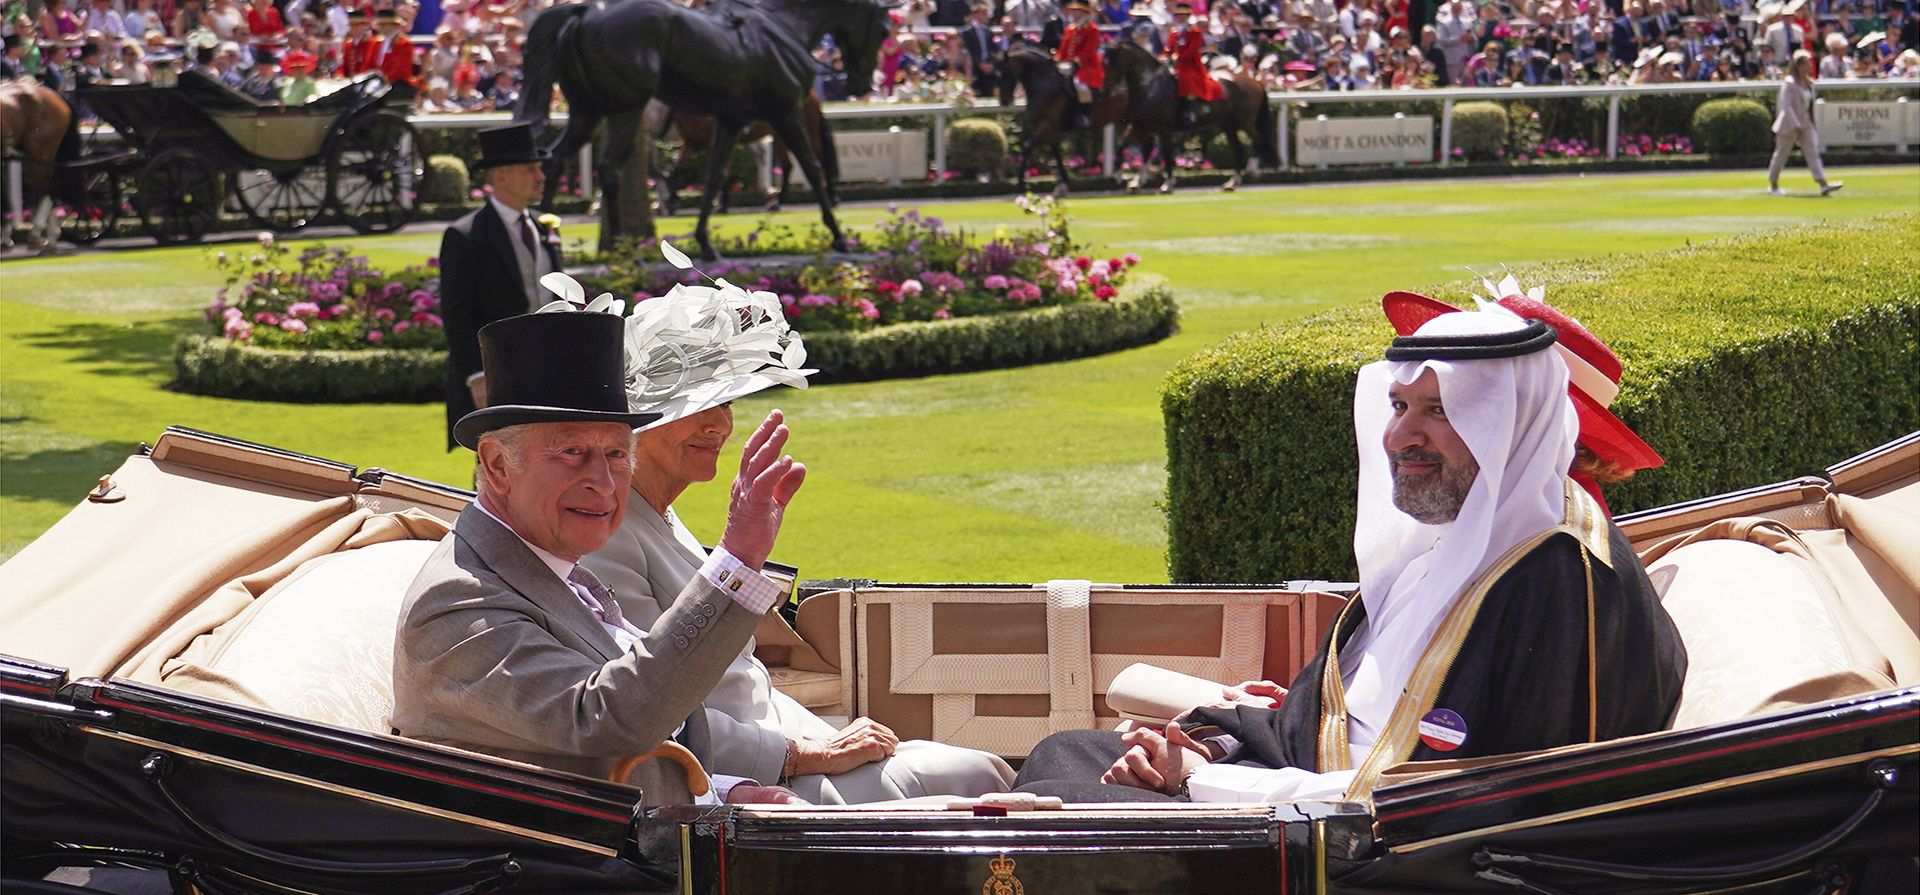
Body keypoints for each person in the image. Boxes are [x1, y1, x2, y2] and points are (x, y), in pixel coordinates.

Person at [1013, 298, 1686, 803]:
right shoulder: (1460, 538)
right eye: (1399, 405)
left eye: (1441, 410)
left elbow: (1468, 804)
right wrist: (1211, 744)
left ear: (1512, 426)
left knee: (1055, 801)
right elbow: (1344, 721)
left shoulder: (1559, 582)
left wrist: (1204, 779)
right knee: (1065, 754)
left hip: (1371, 856)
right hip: (1316, 795)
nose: (1399, 436)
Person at [579, 278, 1017, 804]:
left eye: (726, 402)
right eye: (697, 406)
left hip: (781, 745)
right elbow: (648, 712)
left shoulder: (658, 515)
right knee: (974, 778)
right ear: (637, 423)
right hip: (727, 782)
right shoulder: (604, 538)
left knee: (977, 772)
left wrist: (828, 738)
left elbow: (745, 681)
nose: (719, 424)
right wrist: (800, 754)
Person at [392, 306, 811, 805]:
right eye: (572, 452)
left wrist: (726, 790)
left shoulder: (549, 566)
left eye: (615, 454)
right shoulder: (457, 605)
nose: (604, 483)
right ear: (498, 464)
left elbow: (594, 752)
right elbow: (610, 720)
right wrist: (736, 561)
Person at [438, 123, 563, 451]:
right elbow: (457, 312)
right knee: (498, 458)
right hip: (498, 372)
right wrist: (476, 374)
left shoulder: (544, 228)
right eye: (530, 169)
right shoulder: (466, 235)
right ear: (501, 176)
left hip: (549, 368)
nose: (541, 177)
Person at [1768, 50, 1841, 198]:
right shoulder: (1789, 83)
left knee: (1813, 153)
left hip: (1806, 123)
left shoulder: (1808, 83)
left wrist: (1810, 123)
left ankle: (1823, 184)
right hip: (1789, 124)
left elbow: (1809, 106)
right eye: (1807, 63)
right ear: (1799, 66)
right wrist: (1795, 125)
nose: (1810, 66)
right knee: (1781, 155)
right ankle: (1773, 185)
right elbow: (1786, 106)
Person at [1164, 2, 1224, 126]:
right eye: (1178, 15)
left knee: (1187, 78)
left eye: (1183, 15)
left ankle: (1190, 109)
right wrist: (1163, 56)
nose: (1180, 17)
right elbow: (1168, 47)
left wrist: (1178, 57)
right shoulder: (1173, 32)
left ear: (1187, 16)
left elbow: (1192, 50)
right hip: (1174, 63)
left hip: (1190, 64)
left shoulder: (1194, 31)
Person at [1054, 0, 1104, 128]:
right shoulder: (1070, 29)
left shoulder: (1092, 29)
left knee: (1080, 84)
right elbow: (1063, 48)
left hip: (1087, 65)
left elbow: (1089, 50)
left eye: (1077, 10)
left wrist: (1076, 62)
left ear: (1084, 12)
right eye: (1073, 10)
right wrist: (1057, 59)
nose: (1073, 13)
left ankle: (1086, 113)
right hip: (1067, 64)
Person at [370, 8, 415, 87]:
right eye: (380, 25)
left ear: (394, 26)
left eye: (385, 25)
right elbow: (371, 63)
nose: (381, 28)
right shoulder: (377, 43)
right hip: (377, 83)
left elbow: (399, 68)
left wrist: (383, 80)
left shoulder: (404, 44)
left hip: (397, 84)